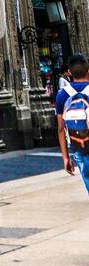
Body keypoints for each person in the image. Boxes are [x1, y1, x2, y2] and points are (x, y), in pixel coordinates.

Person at [56, 53, 89, 195]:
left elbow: (61, 129)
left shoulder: (62, 95)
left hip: (78, 144)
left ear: (69, 72)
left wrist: (65, 158)